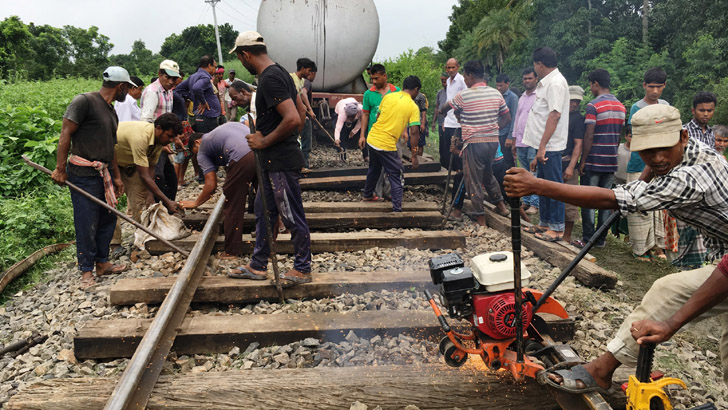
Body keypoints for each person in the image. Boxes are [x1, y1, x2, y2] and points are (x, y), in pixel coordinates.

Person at [504, 104, 728, 391]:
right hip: (720, 255)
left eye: (664, 149)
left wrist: (537, 186)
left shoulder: (695, 177)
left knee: (668, 291)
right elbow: (651, 169)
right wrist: (646, 176)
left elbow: (615, 198)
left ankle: (601, 369)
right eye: (648, 150)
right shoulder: (685, 148)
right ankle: (603, 369)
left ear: (682, 137)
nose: (657, 158)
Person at [229, 31, 312, 286]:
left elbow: (293, 118)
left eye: (240, 58)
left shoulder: (269, 79)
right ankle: (258, 264)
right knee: (264, 211)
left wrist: (265, 141)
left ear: (245, 55)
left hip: (278, 161)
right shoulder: (282, 73)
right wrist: (287, 142)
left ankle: (302, 267)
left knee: (289, 212)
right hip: (270, 159)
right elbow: (299, 111)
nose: (241, 63)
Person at [51, 66, 135, 288]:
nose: (127, 92)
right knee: (87, 222)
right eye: (127, 88)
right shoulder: (84, 101)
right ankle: (86, 271)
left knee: (107, 219)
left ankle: (102, 263)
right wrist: (60, 168)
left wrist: (117, 177)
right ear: (121, 86)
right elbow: (65, 134)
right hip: (83, 174)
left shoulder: (111, 111)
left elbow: (111, 147)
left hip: (103, 173)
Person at [439, 60, 510, 225]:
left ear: (470, 76)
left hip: (474, 143)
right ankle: (501, 205)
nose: (464, 78)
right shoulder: (495, 93)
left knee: (473, 180)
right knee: (487, 173)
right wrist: (492, 128)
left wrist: (441, 111)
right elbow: (507, 117)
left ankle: (480, 218)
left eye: (465, 75)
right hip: (493, 142)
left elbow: (447, 107)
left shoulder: (465, 95)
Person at [180, 122, 256, 258]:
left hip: (242, 156)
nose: (197, 159)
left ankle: (232, 250)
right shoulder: (221, 131)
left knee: (232, 202)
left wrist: (195, 203)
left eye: (195, 153)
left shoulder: (202, 148)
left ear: (197, 142)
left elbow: (211, 185)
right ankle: (279, 229)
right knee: (265, 196)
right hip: (260, 150)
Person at [521, 47, 570, 242]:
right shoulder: (546, 84)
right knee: (542, 186)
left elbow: (555, 114)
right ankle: (545, 222)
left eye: (535, 65)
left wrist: (542, 147)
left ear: (540, 64)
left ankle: (557, 228)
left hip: (551, 146)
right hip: (542, 145)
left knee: (553, 186)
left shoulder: (556, 83)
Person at [622, 67, 670, 260]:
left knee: (658, 204)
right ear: (644, 86)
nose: (655, 91)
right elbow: (638, 136)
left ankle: (658, 247)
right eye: (651, 87)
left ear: (664, 86)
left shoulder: (665, 105)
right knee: (639, 204)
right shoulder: (637, 107)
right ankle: (641, 249)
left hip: (661, 162)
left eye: (659, 87)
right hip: (640, 162)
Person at [577, 69, 625, 247]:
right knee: (605, 201)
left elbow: (589, 136)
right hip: (611, 161)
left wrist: (583, 161)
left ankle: (588, 238)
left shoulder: (593, 106)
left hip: (594, 160)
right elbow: (618, 135)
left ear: (595, 84)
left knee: (588, 200)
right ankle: (601, 239)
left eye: (591, 84)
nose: (590, 88)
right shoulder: (621, 107)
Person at [359, 76, 421, 212]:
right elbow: (415, 132)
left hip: (372, 138)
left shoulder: (388, 96)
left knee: (374, 168)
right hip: (385, 144)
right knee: (396, 173)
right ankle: (397, 208)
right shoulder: (412, 106)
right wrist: (414, 154)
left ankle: (368, 195)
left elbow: (378, 117)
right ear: (416, 89)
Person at [114, 114, 184, 225]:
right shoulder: (141, 138)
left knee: (140, 203)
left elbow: (151, 170)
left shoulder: (159, 141)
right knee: (109, 203)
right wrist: (167, 201)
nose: (171, 140)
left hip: (130, 164)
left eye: (173, 137)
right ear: (159, 128)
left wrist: (150, 196)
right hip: (111, 163)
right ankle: (115, 242)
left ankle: (144, 236)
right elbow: (144, 176)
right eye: (169, 136)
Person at [508, 68, 540, 218]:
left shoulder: (539, 96)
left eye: (530, 78)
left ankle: (535, 203)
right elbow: (517, 118)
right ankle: (526, 200)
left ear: (536, 79)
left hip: (534, 141)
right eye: (525, 79)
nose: (527, 81)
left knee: (534, 173)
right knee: (524, 171)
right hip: (521, 140)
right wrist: (514, 139)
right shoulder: (521, 97)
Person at [361, 64, 399, 162]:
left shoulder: (396, 92)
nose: (374, 82)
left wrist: (403, 131)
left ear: (384, 76)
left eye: (377, 78)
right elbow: (365, 115)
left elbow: (401, 112)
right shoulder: (368, 94)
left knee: (393, 165)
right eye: (372, 79)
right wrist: (362, 136)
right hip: (374, 137)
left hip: (392, 136)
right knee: (375, 167)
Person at [561, 85, 584, 245]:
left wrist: (571, 166)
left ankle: (567, 236)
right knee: (553, 197)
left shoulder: (578, 119)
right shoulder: (557, 115)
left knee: (569, 201)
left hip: (569, 163)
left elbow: (578, 145)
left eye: (576, 101)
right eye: (571, 100)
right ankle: (554, 228)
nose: (573, 104)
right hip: (555, 160)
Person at [189, 55, 221, 133]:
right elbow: (196, 88)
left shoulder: (193, 77)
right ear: (209, 66)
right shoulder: (205, 78)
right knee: (207, 139)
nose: (215, 70)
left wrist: (191, 97)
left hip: (205, 115)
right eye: (215, 67)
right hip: (206, 116)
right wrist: (203, 102)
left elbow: (180, 90)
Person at [297, 60, 318, 170]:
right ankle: (304, 165)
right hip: (303, 117)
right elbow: (303, 93)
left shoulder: (299, 81)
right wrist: (310, 110)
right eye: (310, 71)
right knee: (306, 143)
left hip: (299, 116)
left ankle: (301, 165)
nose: (311, 75)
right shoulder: (307, 82)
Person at [495, 73, 518, 169]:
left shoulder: (513, 98)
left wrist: (510, 137)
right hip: (496, 133)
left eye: (501, 85)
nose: (499, 88)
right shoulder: (495, 96)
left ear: (507, 84)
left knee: (508, 160)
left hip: (506, 134)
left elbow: (514, 118)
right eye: (497, 85)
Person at [431, 73, 448, 155]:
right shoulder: (440, 93)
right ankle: (443, 164)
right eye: (442, 80)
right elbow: (436, 108)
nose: (444, 82)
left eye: (445, 79)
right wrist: (434, 122)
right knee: (442, 144)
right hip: (441, 122)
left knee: (449, 144)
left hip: (450, 123)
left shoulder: (453, 91)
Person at [410, 91, 429, 156]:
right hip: (411, 122)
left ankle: (420, 159)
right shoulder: (407, 96)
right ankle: (413, 156)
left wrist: (423, 123)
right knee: (411, 143)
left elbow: (424, 110)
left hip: (419, 122)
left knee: (420, 143)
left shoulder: (421, 96)